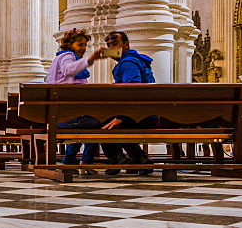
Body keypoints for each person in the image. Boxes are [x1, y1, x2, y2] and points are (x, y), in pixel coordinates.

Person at [98, 31, 158, 176]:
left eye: (115, 44)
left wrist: (122, 116)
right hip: (148, 114)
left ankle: (117, 158)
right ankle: (141, 160)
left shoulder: (128, 62)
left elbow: (133, 89)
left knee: (103, 124)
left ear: (126, 44)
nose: (111, 48)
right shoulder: (134, 60)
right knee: (113, 125)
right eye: (109, 45)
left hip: (139, 115)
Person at [46, 29, 105, 171]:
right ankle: (85, 162)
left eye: (85, 45)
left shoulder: (61, 58)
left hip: (59, 116)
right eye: (80, 44)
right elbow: (68, 70)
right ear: (70, 44)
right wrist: (90, 59)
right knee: (98, 122)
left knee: (85, 122)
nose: (84, 48)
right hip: (64, 117)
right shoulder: (67, 56)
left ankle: (70, 159)